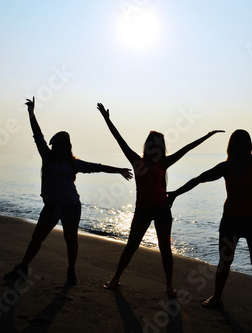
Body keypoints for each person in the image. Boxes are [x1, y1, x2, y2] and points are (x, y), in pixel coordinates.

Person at [167, 88, 252, 318]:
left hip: (249, 220)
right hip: (235, 220)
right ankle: (225, 299)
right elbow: (199, 179)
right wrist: (176, 192)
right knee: (228, 263)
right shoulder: (230, 166)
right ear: (243, 145)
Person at [96, 103, 224, 297]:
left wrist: (207, 136)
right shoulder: (136, 160)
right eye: (151, 143)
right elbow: (119, 139)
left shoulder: (163, 162)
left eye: (157, 144)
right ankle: (116, 278)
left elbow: (186, 149)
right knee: (132, 245)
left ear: (161, 147)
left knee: (165, 248)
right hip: (142, 210)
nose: (154, 146)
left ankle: (169, 286)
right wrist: (107, 119)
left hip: (162, 209)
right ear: (147, 145)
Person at [4, 97, 133, 285]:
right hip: (51, 206)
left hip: (71, 207)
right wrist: (31, 114)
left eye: (61, 144)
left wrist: (119, 170)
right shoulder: (47, 157)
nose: (57, 147)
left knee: (71, 240)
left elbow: (97, 167)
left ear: (67, 146)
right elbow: (37, 135)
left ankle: (71, 272)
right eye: (55, 145)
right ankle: (23, 267)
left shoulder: (73, 163)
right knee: (37, 238)